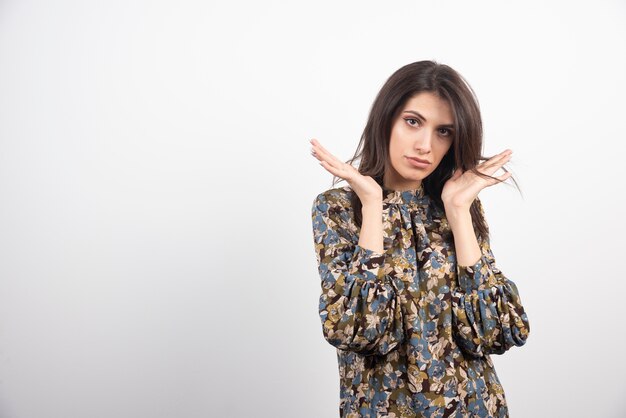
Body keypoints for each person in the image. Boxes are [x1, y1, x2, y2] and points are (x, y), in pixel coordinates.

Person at [309, 60, 530, 418]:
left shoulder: (458, 205)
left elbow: (496, 331)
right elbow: (357, 331)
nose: (425, 145)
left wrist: (458, 210)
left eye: (444, 131)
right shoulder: (338, 208)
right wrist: (371, 204)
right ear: (387, 119)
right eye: (413, 122)